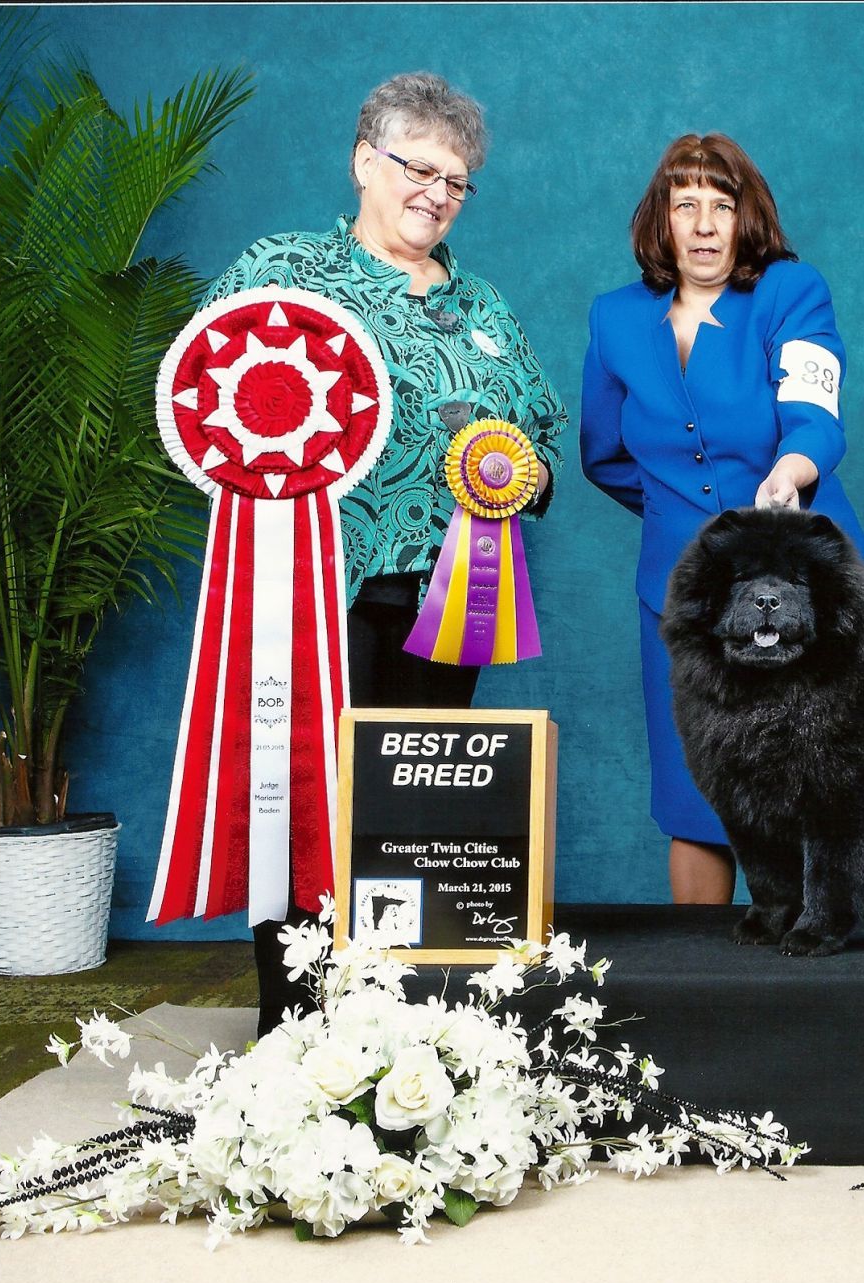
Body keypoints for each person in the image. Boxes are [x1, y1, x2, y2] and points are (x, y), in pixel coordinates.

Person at [201, 72, 567, 1032]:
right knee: (312, 811)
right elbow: (204, 411)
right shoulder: (283, 274)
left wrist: (524, 473)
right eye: (421, 168)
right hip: (318, 592)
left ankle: (399, 1019)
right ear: (365, 161)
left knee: (415, 809)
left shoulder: (482, 301)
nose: (439, 192)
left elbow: (542, 430)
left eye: (458, 179)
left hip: (453, 594)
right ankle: (297, 1024)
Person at [580, 133, 864, 905]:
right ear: (660, 221)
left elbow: (817, 416)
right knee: (696, 795)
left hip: (803, 592)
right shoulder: (613, 320)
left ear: (747, 218)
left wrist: (790, 471)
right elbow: (603, 456)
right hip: (683, 601)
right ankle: (703, 989)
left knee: (821, 783)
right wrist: (698, 535)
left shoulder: (790, 292)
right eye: (685, 206)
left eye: (722, 204)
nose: (704, 225)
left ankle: (826, 970)